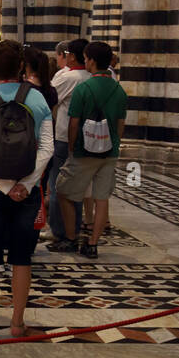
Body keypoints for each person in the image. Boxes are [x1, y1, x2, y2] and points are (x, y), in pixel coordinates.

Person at [0, 39, 54, 338]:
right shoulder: (38, 99)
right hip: (27, 191)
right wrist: (25, 185)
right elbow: (48, 149)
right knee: (22, 258)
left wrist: (3, 185)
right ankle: (17, 323)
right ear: (21, 67)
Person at [55, 40, 128, 257]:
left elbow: (74, 122)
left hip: (84, 150)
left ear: (93, 61)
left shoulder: (84, 88)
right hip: (110, 151)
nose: (84, 62)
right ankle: (93, 243)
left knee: (63, 191)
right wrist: (114, 143)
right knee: (101, 198)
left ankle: (70, 238)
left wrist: (71, 147)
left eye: (86, 59)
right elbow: (121, 125)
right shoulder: (119, 90)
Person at [47, 37, 90, 249]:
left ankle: (60, 231)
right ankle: (74, 228)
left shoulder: (70, 78)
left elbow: (49, 99)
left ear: (71, 56)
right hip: (86, 139)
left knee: (58, 186)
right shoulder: (91, 76)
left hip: (64, 137)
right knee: (77, 189)